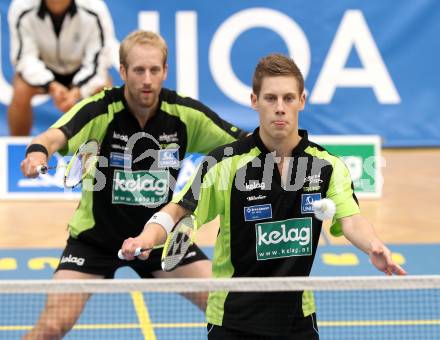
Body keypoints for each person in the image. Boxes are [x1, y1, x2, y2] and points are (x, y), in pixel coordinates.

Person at [120, 53, 407, 340]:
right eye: (270, 98)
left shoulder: (327, 166)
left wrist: (373, 246)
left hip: (297, 318)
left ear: (302, 101)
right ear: (254, 101)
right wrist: (146, 238)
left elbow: (351, 220)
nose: (280, 108)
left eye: (288, 98)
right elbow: (177, 210)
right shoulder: (225, 164)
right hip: (233, 318)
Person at [20, 30, 247, 339]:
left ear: (165, 71)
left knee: (229, 310)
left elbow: (244, 143)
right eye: (138, 70)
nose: (147, 79)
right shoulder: (101, 109)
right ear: (123, 71)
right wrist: (36, 154)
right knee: (50, 327)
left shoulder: (184, 114)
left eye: (155, 70)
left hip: (157, 237)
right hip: (94, 240)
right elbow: (50, 137)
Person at [8, 0, 115, 136]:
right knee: (21, 88)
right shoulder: (21, 6)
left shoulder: (95, 8)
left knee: (104, 89)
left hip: (82, 69)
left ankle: (102, 149)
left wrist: (77, 91)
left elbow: (99, 62)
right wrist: (52, 86)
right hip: (44, 69)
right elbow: (24, 58)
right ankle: (18, 148)